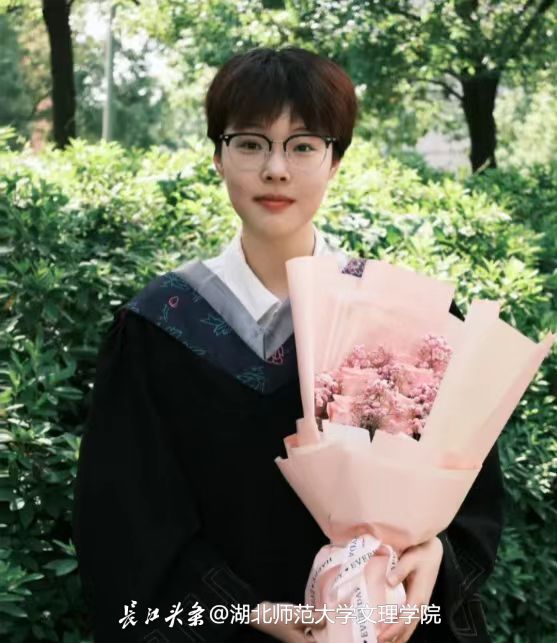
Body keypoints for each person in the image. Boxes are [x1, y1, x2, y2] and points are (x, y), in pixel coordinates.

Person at [72, 46, 505, 643]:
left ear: (335, 160)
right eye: (251, 143)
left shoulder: (402, 316)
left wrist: (433, 552)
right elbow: (125, 524)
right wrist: (245, 610)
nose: (276, 169)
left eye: (303, 146)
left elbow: (473, 498)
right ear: (218, 156)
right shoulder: (160, 327)